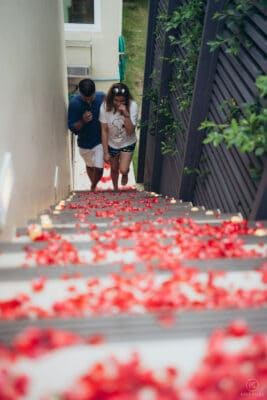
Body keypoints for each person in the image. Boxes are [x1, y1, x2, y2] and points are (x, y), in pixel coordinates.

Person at [99, 82, 138, 191]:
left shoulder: (133, 106)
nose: (118, 103)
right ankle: (115, 188)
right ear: (111, 98)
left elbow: (130, 131)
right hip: (112, 144)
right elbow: (104, 130)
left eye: (122, 101)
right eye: (116, 100)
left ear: (127, 99)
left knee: (123, 169)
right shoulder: (104, 107)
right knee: (114, 168)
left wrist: (126, 114)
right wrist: (105, 152)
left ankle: (125, 173)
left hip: (128, 142)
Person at [68, 79, 105, 191]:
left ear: (95, 92)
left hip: (99, 141)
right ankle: (93, 185)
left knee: (99, 168)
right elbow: (72, 127)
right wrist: (83, 121)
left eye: (91, 98)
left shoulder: (102, 97)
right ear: (80, 93)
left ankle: (93, 186)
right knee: (90, 166)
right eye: (85, 98)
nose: (88, 101)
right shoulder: (74, 104)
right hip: (84, 143)